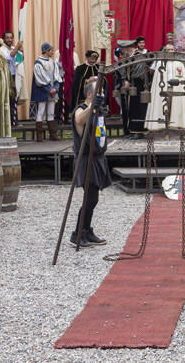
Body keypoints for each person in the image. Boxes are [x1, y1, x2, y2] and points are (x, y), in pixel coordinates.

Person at [70, 78, 111, 248]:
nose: (102, 95)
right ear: (89, 95)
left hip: (98, 158)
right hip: (86, 160)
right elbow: (79, 119)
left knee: (93, 199)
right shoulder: (81, 110)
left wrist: (96, 106)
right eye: (98, 93)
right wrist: (92, 105)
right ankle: (77, 234)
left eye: (102, 92)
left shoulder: (99, 111)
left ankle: (87, 230)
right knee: (90, 199)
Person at [145, 44, 185, 131]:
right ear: (165, 51)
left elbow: (183, 78)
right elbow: (156, 78)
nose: (171, 51)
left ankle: (174, 125)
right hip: (164, 88)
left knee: (175, 107)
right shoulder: (160, 63)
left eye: (172, 49)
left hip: (176, 89)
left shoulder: (179, 63)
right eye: (169, 49)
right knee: (164, 108)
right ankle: (163, 127)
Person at [31, 42, 62, 141]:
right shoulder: (38, 63)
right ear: (45, 51)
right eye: (51, 50)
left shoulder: (52, 63)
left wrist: (55, 88)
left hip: (52, 91)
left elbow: (57, 76)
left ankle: (53, 134)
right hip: (43, 91)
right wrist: (49, 89)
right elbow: (39, 79)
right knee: (40, 111)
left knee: (50, 113)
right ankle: (39, 135)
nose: (53, 52)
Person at [127, 36, 150, 138]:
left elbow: (153, 67)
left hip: (145, 84)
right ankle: (135, 130)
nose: (142, 44)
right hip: (135, 84)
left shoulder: (149, 54)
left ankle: (144, 130)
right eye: (140, 43)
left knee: (144, 108)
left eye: (143, 43)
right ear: (137, 44)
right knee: (134, 107)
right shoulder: (134, 54)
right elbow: (128, 67)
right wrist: (128, 80)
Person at [0, 31, 23, 125]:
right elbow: (9, 57)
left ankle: (14, 121)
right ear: (3, 39)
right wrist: (17, 47)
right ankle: (7, 122)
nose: (9, 40)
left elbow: (20, 59)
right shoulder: (1, 49)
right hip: (5, 77)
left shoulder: (13, 48)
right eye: (7, 38)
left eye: (11, 38)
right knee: (7, 100)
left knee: (14, 100)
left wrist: (21, 50)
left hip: (14, 76)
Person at [112, 42, 134, 136]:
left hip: (131, 89)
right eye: (120, 54)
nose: (122, 55)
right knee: (125, 110)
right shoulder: (119, 64)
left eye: (123, 53)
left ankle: (132, 129)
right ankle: (127, 130)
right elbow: (119, 77)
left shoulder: (129, 62)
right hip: (122, 89)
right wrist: (124, 80)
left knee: (131, 110)